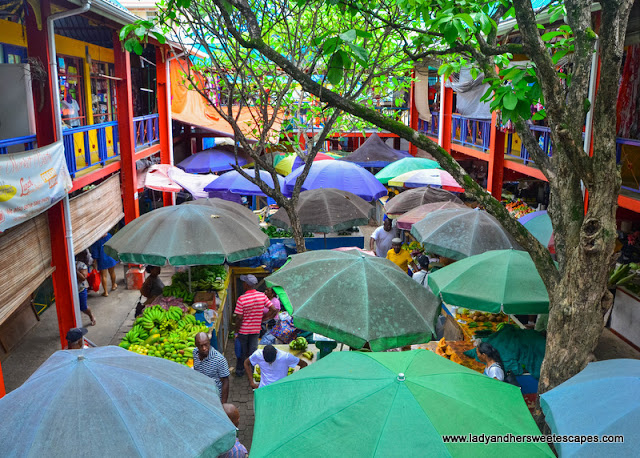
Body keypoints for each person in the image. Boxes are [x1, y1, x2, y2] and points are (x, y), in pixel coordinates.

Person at [234, 275, 276, 377]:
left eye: (244, 282)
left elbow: (239, 318)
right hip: (256, 329)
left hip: (243, 331)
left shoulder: (242, 299)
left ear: (246, 285)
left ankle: (240, 371)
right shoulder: (262, 296)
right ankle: (253, 372)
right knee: (253, 352)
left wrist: (236, 331)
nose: (243, 284)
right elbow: (274, 309)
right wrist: (264, 318)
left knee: (242, 352)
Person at [193, 332, 230, 402]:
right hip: (201, 393)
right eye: (201, 346)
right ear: (196, 345)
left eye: (206, 345)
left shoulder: (219, 359)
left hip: (214, 396)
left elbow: (225, 382)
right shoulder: (195, 353)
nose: (204, 348)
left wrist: (223, 403)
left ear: (209, 342)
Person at [90, 233, 118, 297]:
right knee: (112, 272)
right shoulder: (109, 235)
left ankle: (106, 292)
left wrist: (94, 263)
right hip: (110, 257)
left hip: (102, 259)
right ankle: (113, 285)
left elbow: (95, 253)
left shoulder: (96, 240)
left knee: (103, 276)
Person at [76, 252, 96, 326]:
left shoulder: (81, 265)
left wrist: (75, 271)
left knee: (83, 307)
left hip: (80, 289)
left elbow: (83, 278)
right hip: (69, 290)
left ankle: (91, 316)